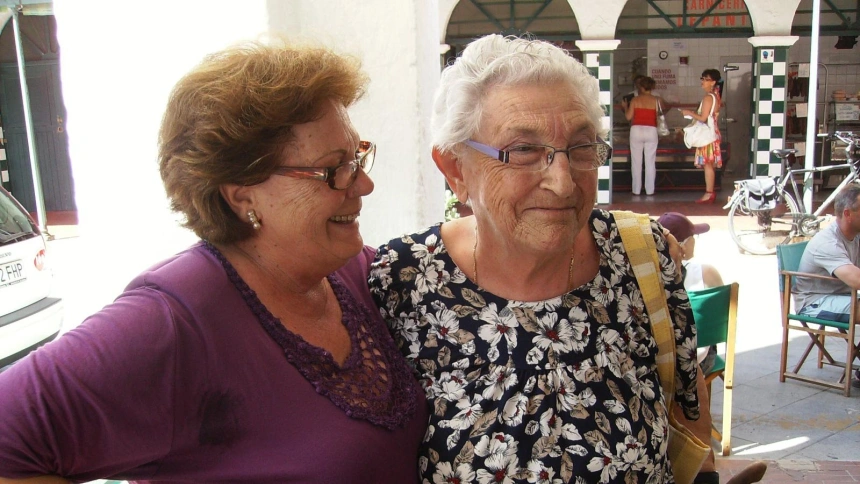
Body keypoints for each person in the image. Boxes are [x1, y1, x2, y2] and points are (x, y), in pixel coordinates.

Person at [0, 41, 426, 483]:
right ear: (242, 195)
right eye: (333, 168)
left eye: (357, 158)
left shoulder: (356, 272)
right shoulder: (176, 319)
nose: (364, 184)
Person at [369, 34, 700, 483]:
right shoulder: (400, 279)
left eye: (581, 147)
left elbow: (688, 407)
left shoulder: (641, 255)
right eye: (522, 150)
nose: (563, 183)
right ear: (454, 169)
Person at [658, 213, 768, 484]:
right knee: (684, 379)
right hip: (699, 355)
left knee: (685, 376)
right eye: (693, 236)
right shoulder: (704, 271)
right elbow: (723, 319)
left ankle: (706, 476)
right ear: (680, 245)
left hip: (686, 359)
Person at [795, 184, 860, 388]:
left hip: (841, 296)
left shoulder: (855, 236)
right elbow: (855, 279)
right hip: (814, 301)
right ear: (848, 213)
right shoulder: (828, 242)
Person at [682, 69, 723, 204]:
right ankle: (709, 192)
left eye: (706, 79)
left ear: (713, 82)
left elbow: (703, 117)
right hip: (713, 135)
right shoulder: (715, 97)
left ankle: (709, 192)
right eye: (703, 78)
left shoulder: (708, 97)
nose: (703, 82)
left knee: (708, 165)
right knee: (709, 165)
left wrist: (689, 113)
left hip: (707, 137)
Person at [622, 76, 667, 196]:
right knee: (650, 162)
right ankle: (650, 190)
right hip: (651, 130)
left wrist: (625, 106)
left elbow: (628, 117)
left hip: (636, 130)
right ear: (652, 87)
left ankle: (636, 190)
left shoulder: (635, 100)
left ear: (641, 87)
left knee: (636, 162)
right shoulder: (656, 100)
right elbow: (663, 111)